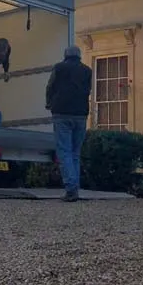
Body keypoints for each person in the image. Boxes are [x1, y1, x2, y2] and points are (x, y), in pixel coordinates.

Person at [45, 45, 92, 202]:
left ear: (65, 56)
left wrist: (49, 103)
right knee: (75, 153)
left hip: (61, 113)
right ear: (79, 56)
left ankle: (71, 188)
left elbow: (50, 86)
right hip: (81, 115)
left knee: (64, 151)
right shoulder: (87, 70)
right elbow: (88, 90)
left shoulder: (59, 68)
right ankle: (75, 187)